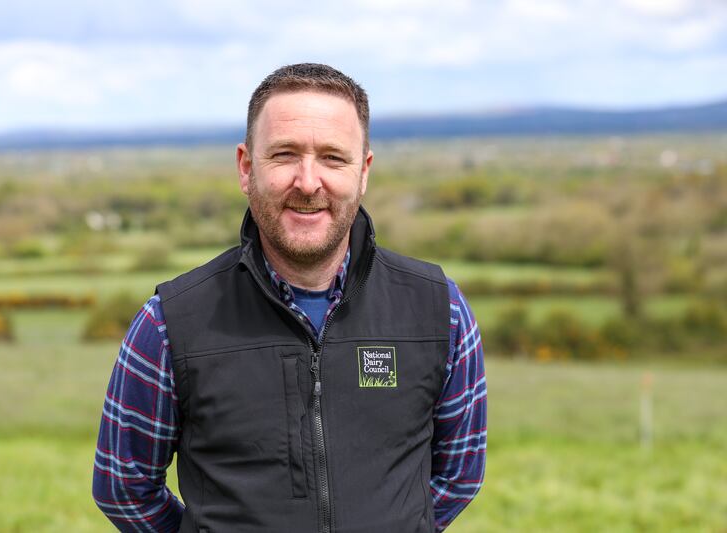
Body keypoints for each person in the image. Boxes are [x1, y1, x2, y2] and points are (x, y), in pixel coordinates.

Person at [92, 63, 486, 533]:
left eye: (333, 158)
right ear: (246, 167)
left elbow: (459, 476)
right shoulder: (168, 324)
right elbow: (123, 487)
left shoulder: (439, 309)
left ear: (363, 172)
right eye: (284, 154)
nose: (307, 181)